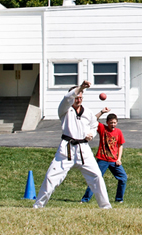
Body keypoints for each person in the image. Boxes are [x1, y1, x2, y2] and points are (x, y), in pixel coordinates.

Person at [33, 81, 111, 209]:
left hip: (84, 149)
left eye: (80, 97)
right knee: (50, 177)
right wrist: (80, 87)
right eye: (76, 97)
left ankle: (106, 207)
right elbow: (66, 98)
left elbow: (94, 125)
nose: (78, 100)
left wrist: (91, 134)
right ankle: (38, 205)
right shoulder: (65, 110)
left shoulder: (88, 112)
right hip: (66, 149)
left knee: (96, 176)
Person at [81, 110, 127, 204]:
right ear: (107, 122)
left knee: (123, 178)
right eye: (111, 123)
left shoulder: (118, 132)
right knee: (95, 178)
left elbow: (120, 145)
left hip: (114, 160)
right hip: (102, 160)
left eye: (114, 122)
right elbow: (93, 119)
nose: (113, 125)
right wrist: (102, 112)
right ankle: (85, 199)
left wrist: (119, 159)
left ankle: (119, 199)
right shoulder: (103, 129)